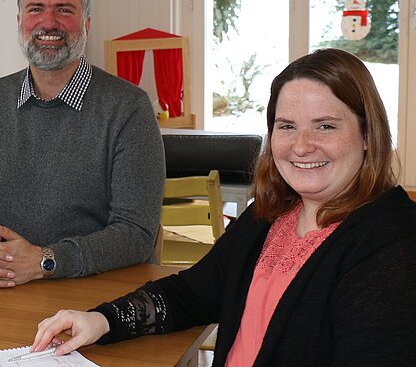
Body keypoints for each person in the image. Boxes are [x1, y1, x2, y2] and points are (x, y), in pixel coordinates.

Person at [30, 48, 416, 366]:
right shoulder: (271, 215)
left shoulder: (392, 243)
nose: (301, 145)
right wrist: (101, 320)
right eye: (286, 126)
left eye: (325, 126)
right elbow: (195, 293)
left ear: (368, 134)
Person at [0, 0, 164, 288]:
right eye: (36, 9)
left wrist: (45, 261)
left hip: (103, 297)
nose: (48, 23)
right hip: (9, 291)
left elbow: (136, 233)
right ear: (20, 21)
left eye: (64, 10)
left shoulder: (129, 108)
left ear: (87, 24)